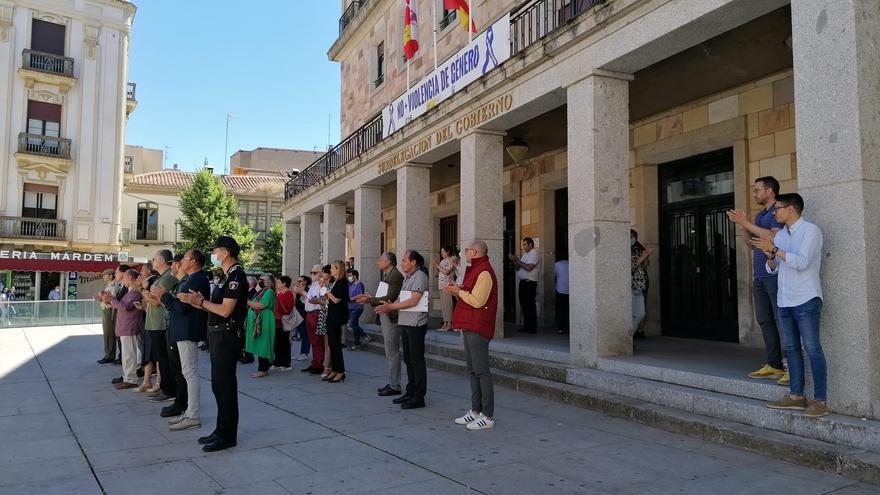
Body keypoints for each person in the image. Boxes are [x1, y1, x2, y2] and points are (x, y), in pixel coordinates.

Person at [754, 193, 828, 419]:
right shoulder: (782, 236)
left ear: (791, 209)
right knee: (792, 349)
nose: (774, 213)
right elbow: (774, 269)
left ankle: (820, 400)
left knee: (812, 348)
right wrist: (770, 256)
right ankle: (796, 396)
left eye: (778, 208)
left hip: (805, 298)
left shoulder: (811, 231)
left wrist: (775, 250)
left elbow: (802, 262)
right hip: (784, 300)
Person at [179, 235, 249, 452]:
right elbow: (215, 307)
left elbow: (226, 311)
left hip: (227, 336)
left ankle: (228, 435)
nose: (214, 255)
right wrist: (198, 302)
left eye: (216, 251)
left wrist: (200, 301)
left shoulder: (236, 275)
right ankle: (221, 430)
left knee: (225, 386)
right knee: (218, 385)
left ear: (225, 253)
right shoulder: (226, 276)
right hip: (218, 335)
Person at [727, 176, 787, 384]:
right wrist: (743, 226)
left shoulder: (776, 213)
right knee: (764, 320)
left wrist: (746, 222)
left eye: (757, 190)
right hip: (760, 276)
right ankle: (775, 364)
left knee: (782, 320)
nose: (754, 194)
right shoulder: (761, 215)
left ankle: (790, 365)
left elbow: (773, 239)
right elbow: (752, 244)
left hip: (775, 274)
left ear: (770, 191)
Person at [444, 240, 499, 430]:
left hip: (478, 326)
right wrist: (456, 290)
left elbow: (477, 300)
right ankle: (476, 411)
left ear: (475, 252)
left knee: (482, 371)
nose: (463, 252)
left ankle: (488, 415)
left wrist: (458, 291)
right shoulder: (474, 269)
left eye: (467, 250)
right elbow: (467, 294)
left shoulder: (484, 271)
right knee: (472, 369)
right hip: (469, 324)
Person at [158, 249, 210, 431]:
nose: (180, 262)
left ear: (194, 261)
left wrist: (163, 296)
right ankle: (189, 412)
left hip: (187, 331)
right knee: (187, 372)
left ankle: (193, 414)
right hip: (181, 330)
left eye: (185, 259)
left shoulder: (197, 279)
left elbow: (182, 308)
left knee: (190, 372)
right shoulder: (189, 278)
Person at [377, 250, 429, 409]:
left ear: (414, 262)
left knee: (417, 360)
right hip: (405, 321)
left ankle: (419, 397)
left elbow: (413, 300)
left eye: (405, 260)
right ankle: (410, 392)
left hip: (416, 323)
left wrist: (390, 306)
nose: (402, 263)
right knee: (408, 359)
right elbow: (402, 298)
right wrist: (387, 306)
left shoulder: (420, 276)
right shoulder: (409, 277)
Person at [353, 252, 404, 397]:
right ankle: (393, 382)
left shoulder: (395, 275)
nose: (377, 262)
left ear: (389, 262)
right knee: (389, 350)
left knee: (392, 350)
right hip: (384, 314)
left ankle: (395, 385)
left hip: (390, 315)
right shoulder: (389, 275)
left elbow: (390, 298)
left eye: (381, 260)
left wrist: (370, 300)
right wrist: (371, 298)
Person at [139, 250, 178, 400]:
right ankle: (164, 388)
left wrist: (147, 296)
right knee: (161, 359)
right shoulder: (162, 277)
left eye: (154, 258)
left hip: (161, 324)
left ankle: (168, 390)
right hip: (154, 323)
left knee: (165, 360)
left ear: (162, 260)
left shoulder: (168, 278)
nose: (152, 261)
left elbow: (160, 302)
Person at [104, 269, 143, 390]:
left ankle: (130, 379)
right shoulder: (130, 292)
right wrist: (110, 299)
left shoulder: (135, 292)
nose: (122, 279)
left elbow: (124, 307)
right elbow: (121, 305)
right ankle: (127, 378)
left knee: (129, 355)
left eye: (125, 277)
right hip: (125, 327)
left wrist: (112, 299)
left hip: (130, 327)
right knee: (127, 355)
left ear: (131, 278)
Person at [323, 260, 349, 383]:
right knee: (332, 344)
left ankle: (340, 371)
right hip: (331, 314)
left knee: (336, 344)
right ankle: (335, 369)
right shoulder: (336, 282)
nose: (331, 270)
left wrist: (327, 292)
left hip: (337, 316)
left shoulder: (343, 282)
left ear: (338, 269)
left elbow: (337, 300)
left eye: (332, 268)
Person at [246, 273, 277, 378]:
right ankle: (263, 367)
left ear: (270, 282)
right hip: (260, 320)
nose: (261, 281)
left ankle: (263, 369)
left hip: (265, 320)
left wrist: (247, 302)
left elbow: (260, 305)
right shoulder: (261, 292)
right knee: (260, 343)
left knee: (264, 343)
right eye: (260, 279)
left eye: (263, 279)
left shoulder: (269, 292)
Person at [508, 237, 540, 334]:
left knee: (530, 305)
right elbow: (518, 268)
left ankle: (532, 328)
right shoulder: (526, 254)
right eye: (523, 244)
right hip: (523, 283)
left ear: (531, 244)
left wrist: (517, 259)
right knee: (524, 305)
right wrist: (514, 260)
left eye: (525, 244)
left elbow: (529, 267)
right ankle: (527, 326)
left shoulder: (534, 253)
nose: (524, 246)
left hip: (530, 283)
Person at [300, 265, 326, 375]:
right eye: (312, 272)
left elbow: (315, 299)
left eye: (314, 272)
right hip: (310, 313)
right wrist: (303, 294)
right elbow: (307, 300)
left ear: (321, 273)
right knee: (313, 340)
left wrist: (304, 293)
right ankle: (315, 362)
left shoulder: (322, 285)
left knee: (318, 340)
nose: (312, 274)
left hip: (316, 312)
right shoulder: (314, 284)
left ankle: (319, 364)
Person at [630, 230, 654, 339]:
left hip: (639, 286)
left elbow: (645, 264)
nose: (630, 239)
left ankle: (632, 334)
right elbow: (631, 267)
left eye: (631, 237)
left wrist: (646, 257)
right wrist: (643, 256)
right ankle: (629, 337)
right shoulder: (624, 249)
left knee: (640, 313)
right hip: (631, 286)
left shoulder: (637, 247)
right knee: (632, 313)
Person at [432, 245, 459, 331]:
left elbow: (447, 272)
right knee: (443, 306)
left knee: (448, 305)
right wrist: (435, 267)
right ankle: (445, 323)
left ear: (448, 252)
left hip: (448, 285)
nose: (441, 253)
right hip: (441, 285)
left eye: (443, 251)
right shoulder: (442, 261)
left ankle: (450, 323)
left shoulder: (452, 259)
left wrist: (437, 265)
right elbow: (437, 274)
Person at [272, 275, 295, 371]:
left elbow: (287, 309)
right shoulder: (279, 293)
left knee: (284, 342)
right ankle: (277, 361)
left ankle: (286, 363)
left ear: (284, 283)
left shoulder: (288, 293)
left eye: (278, 282)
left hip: (283, 321)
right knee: (277, 342)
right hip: (277, 320)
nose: (276, 284)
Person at [96, 269, 118, 364]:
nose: (103, 277)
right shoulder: (108, 285)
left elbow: (112, 300)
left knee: (109, 334)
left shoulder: (114, 286)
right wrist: (100, 298)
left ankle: (110, 355)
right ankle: (108, 354)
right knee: (107, 333)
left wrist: (103, 298)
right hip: (106, 310)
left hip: (110, 310)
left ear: (110, 276)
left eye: (105, 275)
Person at [292, 275, 311, 361]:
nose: (298, 283)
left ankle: (305, 353)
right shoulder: (298, 292)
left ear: (305, 282)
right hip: (298, 315)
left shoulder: (307, 291)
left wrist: (300, 293)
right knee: (302, 334)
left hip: (305, 315)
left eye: (300, 281)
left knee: (305, 334)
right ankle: (301, 352)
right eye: (298, 281)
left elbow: (307, 302)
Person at [347, 269, 366, 350]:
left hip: (357, 307)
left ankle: (365, 336)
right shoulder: (350, 285)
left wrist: (351, 299)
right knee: (355, 325)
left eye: (350, 275)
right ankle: (356, 344)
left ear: (355, 275)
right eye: (348, 275)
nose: (349, 277)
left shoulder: (359, 284)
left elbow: (360, 295)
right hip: (350, 307)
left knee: (352, 324)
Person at [554, 257, 569, 335]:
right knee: (568, 309)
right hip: (571, 290)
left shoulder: (557, 264)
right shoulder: (572, 263)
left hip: (560, 289)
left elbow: (554, 276)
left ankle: (560, 328)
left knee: (560, 310)